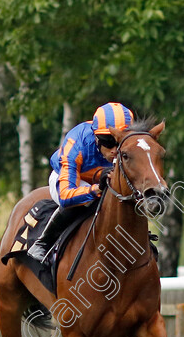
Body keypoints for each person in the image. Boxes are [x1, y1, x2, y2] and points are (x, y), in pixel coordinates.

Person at [26, 102, 133, 262]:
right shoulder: (76, 144)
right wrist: (96, 189)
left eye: (120, 141)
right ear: (97, 137)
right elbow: (66, 196)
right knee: (85, 202)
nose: (115, 150)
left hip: (101, 179)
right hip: (69, 179)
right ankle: (43, 243)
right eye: (108, 141)